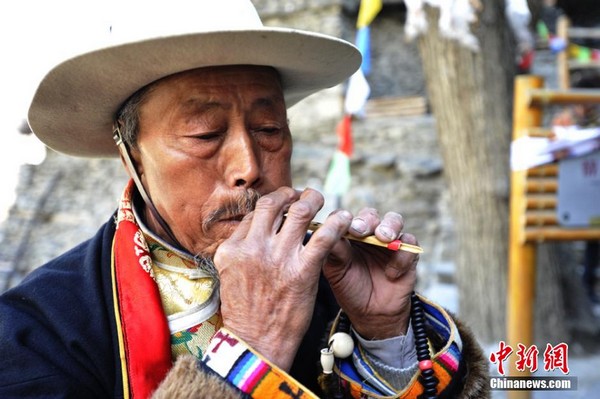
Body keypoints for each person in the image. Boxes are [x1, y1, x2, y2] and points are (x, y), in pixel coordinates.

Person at [0, 1, 489, 398]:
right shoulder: (36, 332)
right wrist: (250, 349)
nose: (250, 167)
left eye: (269, 129)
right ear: (131, 157)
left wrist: (385, 333)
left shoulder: (332, 290)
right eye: (205, 132)